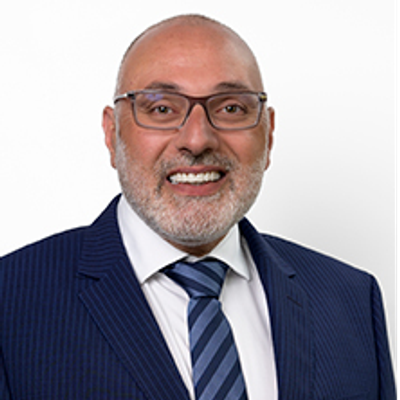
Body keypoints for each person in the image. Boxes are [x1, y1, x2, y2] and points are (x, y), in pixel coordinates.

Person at [0, 14, 396, 400]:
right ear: (112, 133)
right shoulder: (10, 301)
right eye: (161, 108)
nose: (197, 139)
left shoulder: (352, 300)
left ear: (269, 135)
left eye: (231, 108)